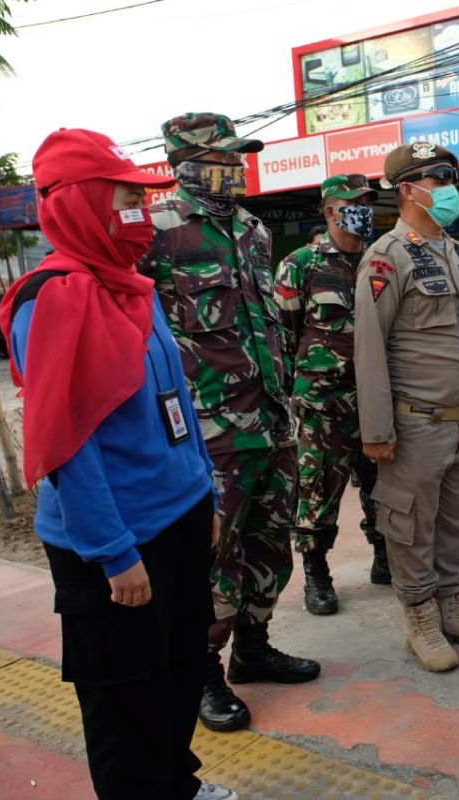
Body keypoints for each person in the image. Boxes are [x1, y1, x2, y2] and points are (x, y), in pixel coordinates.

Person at [0, 128, 236, 800]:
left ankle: (178, 786)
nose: (142, 214)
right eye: (127, 199)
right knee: (124, 699)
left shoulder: (133, 287)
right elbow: (65, 445)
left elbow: (178, 402)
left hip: (180, 517)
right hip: (116, 540)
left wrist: (206, 499)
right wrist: (113, 552)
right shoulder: (51, 298)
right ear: (82, 202)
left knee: (180, 668)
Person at [141, 112, 320, 733]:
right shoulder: (157, 231)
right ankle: (202, 674)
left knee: (271, 542)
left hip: (270, 419)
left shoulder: (250, 229)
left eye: (238, 159)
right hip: (211, 431)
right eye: (225, 159)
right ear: (186, 165)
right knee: (214, 556)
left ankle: (254, 647)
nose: (237, 169)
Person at [354, 142, 459, 672]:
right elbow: (369, 347)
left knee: (456, 521)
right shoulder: (385, 257)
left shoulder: (458, 253)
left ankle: (452, 606)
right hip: (414, 425)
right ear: (407, 189)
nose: (449, 188)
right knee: (411, 526)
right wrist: (376, 429)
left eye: (451, 177)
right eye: (437, 178)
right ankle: (421, 618)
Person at [274, 174, 390, 615]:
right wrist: (294, 398)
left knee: (384, 488)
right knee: (318, 490)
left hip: (378, 401)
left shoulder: (380, 262)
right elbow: (282, 338)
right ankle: (317, 573)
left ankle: (384, 555)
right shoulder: (300, 265)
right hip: (323, 406)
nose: (363, 209)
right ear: (330, 210)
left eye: (367, 201)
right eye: (353, 202)